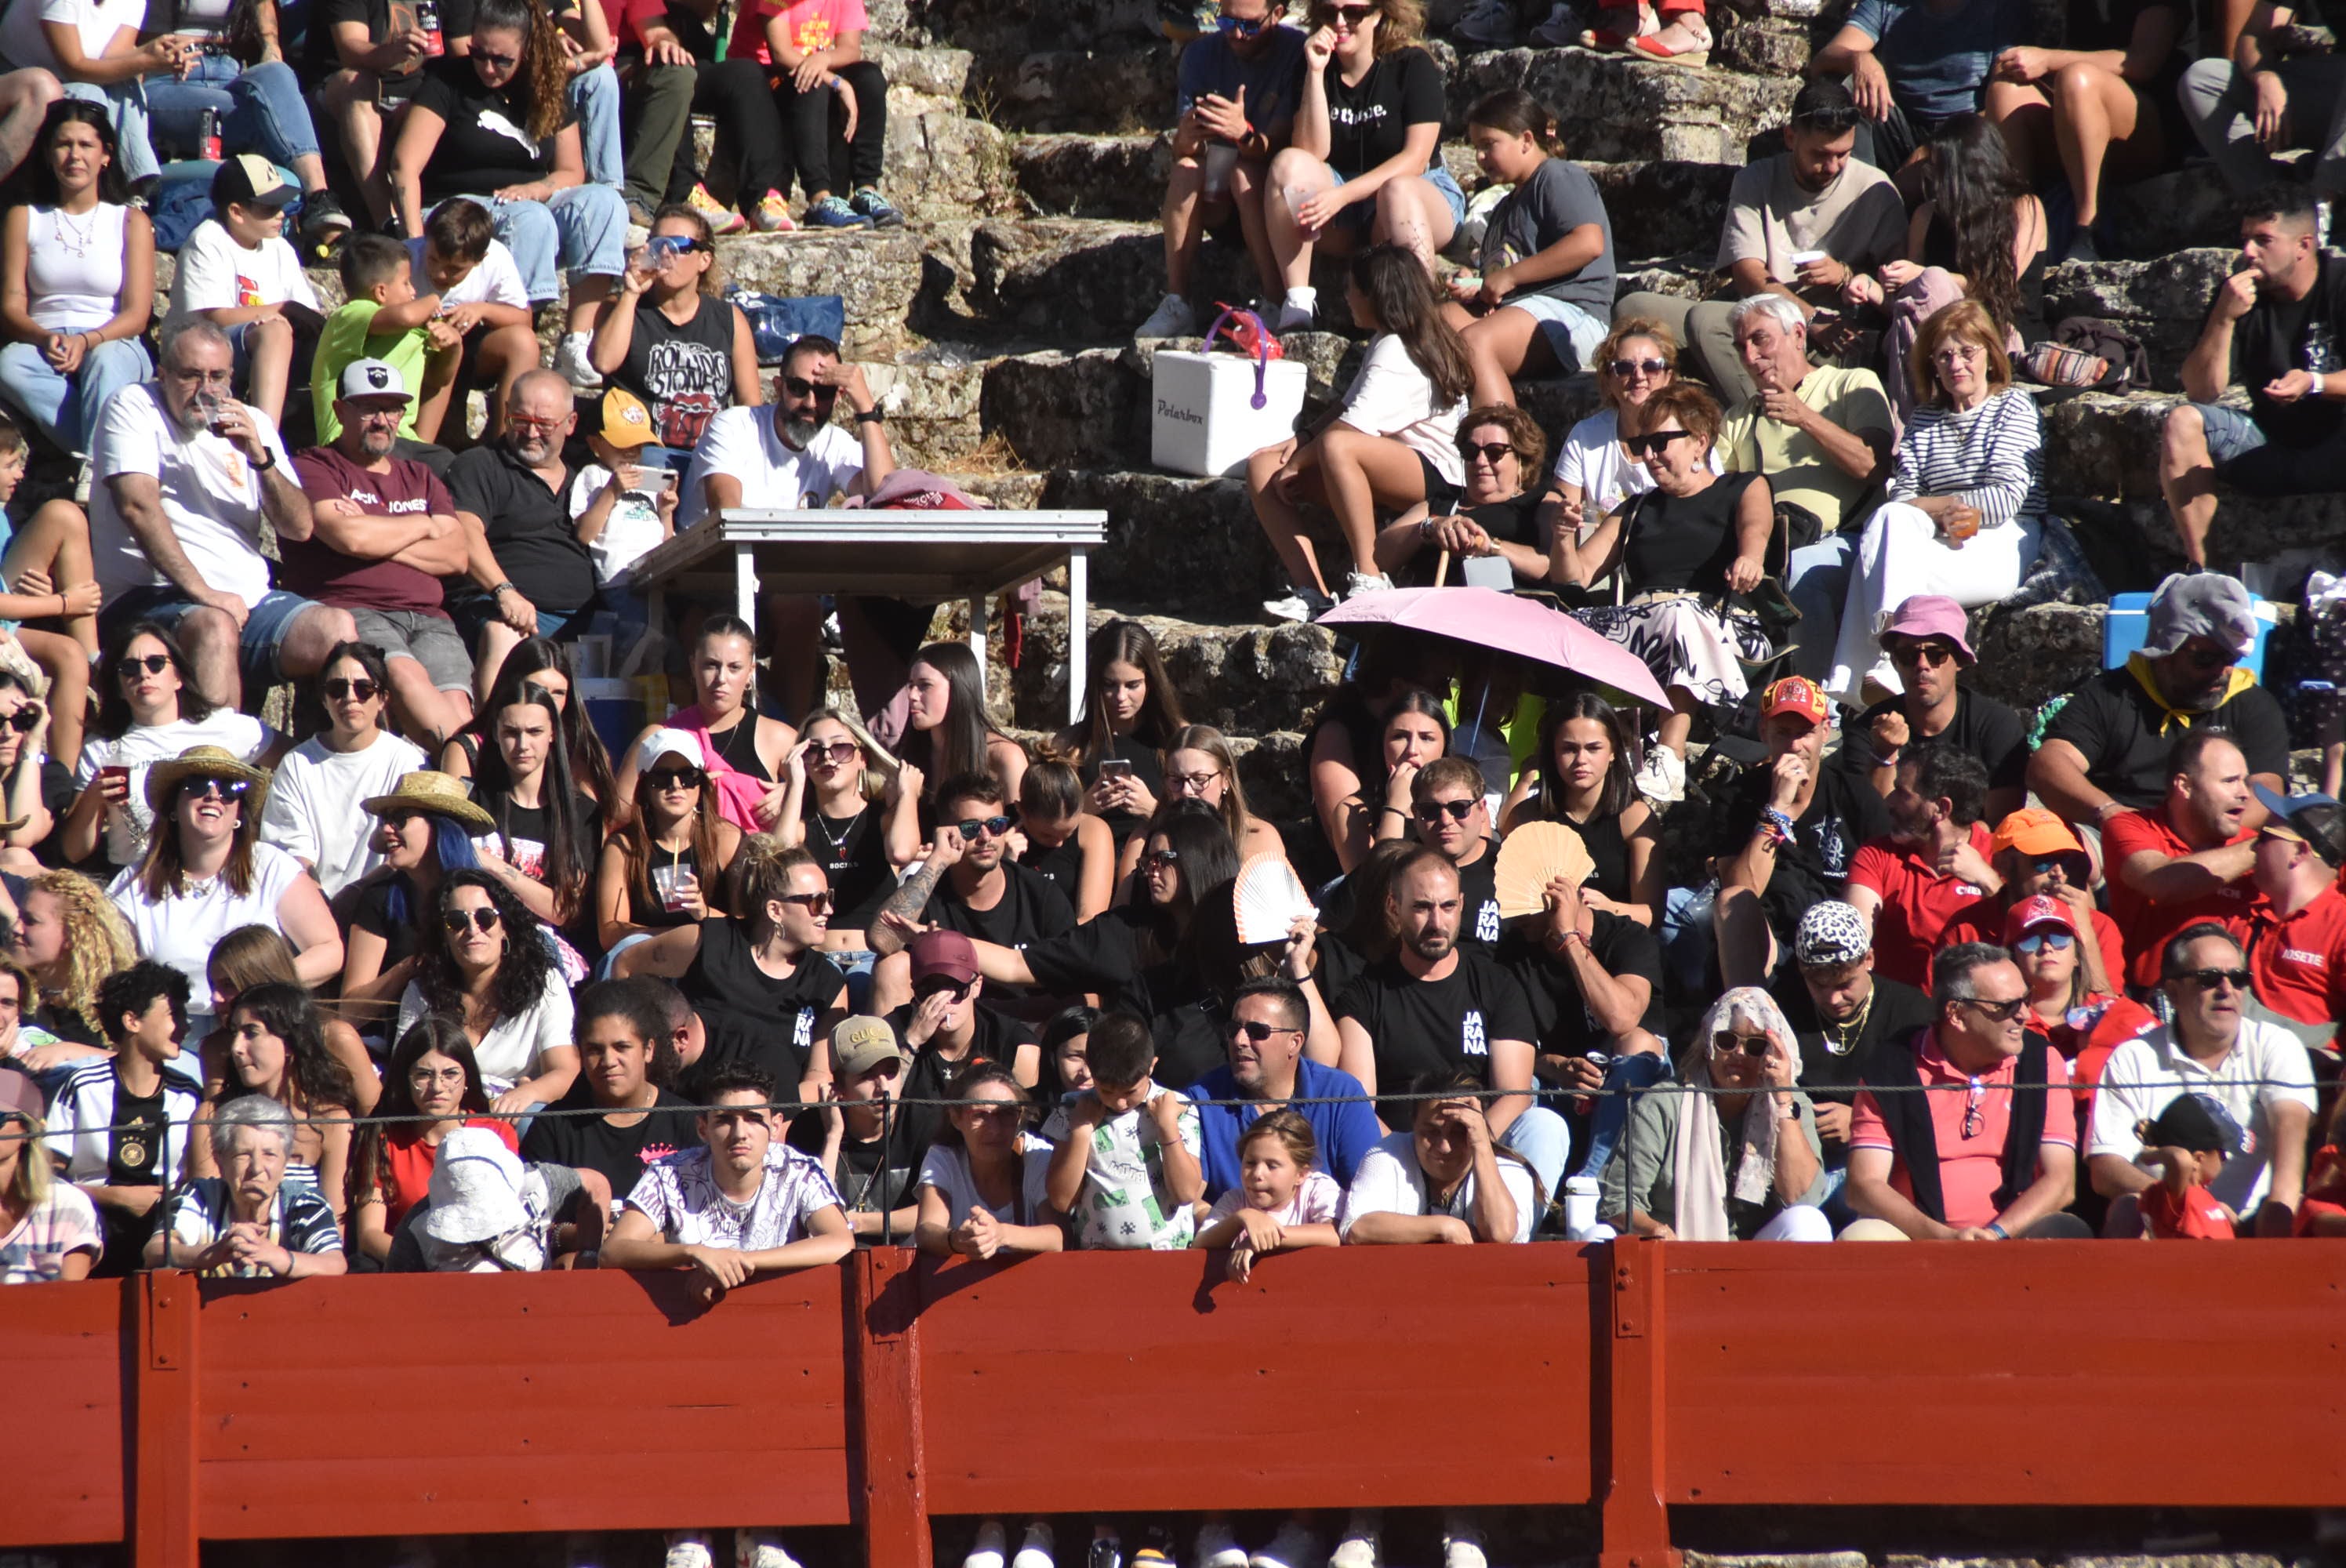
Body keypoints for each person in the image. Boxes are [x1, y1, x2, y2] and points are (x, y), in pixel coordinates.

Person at [90, 318, 353, 713]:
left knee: (336, 631)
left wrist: (260, 458)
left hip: (246, 601)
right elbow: (137, 506)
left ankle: (323, 763)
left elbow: (299, 527)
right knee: (215, 625)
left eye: (217, 376)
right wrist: (206, 593)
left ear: (232, 377)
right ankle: (214, 767)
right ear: (162, 375)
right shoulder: (134, 405)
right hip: (152, 597)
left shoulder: (253, 423)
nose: (206, 390)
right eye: (191, 376)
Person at [386, 0, 629, 390]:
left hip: (526, 200)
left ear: (527, 51)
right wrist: (416, 244)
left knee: (605, 202)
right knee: (531, 218)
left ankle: (576, 343)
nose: (487, 67)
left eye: (502, 59)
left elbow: (571, 171)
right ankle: (519, 336)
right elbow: (404, 166)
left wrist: (539, 188)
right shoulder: (448, 80)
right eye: (478, 53)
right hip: (462, 205)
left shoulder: (544, 85)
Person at [1615, 82, 1907, 402]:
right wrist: (1808, 319)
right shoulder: (1756, 179)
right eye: (1820, 155)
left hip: (1832, 336)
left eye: (1843, 155)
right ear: (1791, 137)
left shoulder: (1876, 189)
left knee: (1707, 323)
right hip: (1786, 317)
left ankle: (1766, 420)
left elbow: (1896, 285)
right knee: (1634, 310)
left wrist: (1846, 277)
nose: (1833, 166)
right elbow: (1748, 273)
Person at [1824, 299, 2046, 706]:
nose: (1956, 364)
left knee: (1877, 561)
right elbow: (1901, 496)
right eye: (1944, 355)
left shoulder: (2013, 405)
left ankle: (1860, 679)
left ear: (1989, 355)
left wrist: (1936, 506)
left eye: (1967, 352)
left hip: (2003, 540)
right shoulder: (1924, 419)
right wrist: (1944, 512)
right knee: (1888, 527)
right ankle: (1879, 674)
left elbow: (2005, 497)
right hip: (1940, 539)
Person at [1559, 379, 1771, 799]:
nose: (1649, 455)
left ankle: (1669, 754)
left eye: (1661, 442)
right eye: (1642, 445)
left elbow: (1755, 529)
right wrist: (1563, 537)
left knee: (1678, 614)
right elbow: (1576, 576)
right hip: (1643, 623)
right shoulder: (1636, 506)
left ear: (1699, 442)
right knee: (1565, 623)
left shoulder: (1742, 487)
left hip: (1721, 622)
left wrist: (1750, 558)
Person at [1332, 845, 1568, 1201]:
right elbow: (1360, 1104)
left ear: (1461, 904)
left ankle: (1514, 1248)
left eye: (1447, 907)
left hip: (1481, 1150)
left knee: (1546, 1126)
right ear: (1394, 907)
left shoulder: (1497, 984)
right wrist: (1421, 1156)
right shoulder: (1363, 995)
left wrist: (1465, 1149)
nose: (1437, 923)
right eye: (1422, 907)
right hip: (1401, 1158)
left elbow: (1514, 1093)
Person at [1251, 245, 1473, 617]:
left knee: (1338, 445)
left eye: (1352, 288)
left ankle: (1369, 578)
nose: (1346, 296)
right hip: (1382, 464)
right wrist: (1300, 440)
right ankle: (1312, 592)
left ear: (1376, 295)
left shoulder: (1400, 350)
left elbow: (1352, 427)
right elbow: (1345, 406)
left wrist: (1298, 463)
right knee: (1262, 466)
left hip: (1439, 477)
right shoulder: (1385, 340)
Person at [284, 363, 476, 750]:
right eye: (369, 408)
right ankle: (472, 783)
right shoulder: (314, 466)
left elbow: (456, 556)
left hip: (430, 618)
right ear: (340, 411)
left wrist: (379, 530)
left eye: (392, 409)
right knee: (404, 676)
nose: (382, 420)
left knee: (456, 703)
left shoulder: (420, 475)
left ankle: (462, 786)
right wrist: (424, 524)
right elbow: (350, 539)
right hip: (358, 610)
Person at [1842, 942, 2090, 1240]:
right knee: (1862, 1237)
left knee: (2067, 1231)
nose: (2024, 1014)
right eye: (2006, 1007)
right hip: (1919, 1239)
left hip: (2013, 1235)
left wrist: (1997, 1234)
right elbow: (1864, 1185)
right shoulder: (1890, 1068)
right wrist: (1942, 1238)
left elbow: (2061, 1181)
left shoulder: (2041, 1062)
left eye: (2025, 999)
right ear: (1956, 1014)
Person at [2157, 188, 2346, 569]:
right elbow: (2202, 390)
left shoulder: (2340, 284)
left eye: (2263, 240)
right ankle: (2206, 573)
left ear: (2303, 245)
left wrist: (2315, 383)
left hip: (2336, 448)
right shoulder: (2239, 293)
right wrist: (2223, 319)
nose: (2248, 252)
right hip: (2269, 446)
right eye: (2245, 239)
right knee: (2182, 421)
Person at [2087, 924, 2315, 1235]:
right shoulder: (2132, 1057)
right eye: (2209, 979)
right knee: (2126, 1208)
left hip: (2250, 1223)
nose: (2227, 990)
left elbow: (2290, 1139)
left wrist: (2274, 1225)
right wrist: (2186, 1203)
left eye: (2237, 978)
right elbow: (2106, 1169)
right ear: (2172, 992)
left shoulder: (2276, 1045)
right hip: (2163, 1218)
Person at [1718, 292, 1894, 683]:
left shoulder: (1850, 383)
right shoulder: (1737, 419)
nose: (1749, 356)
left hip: (1847, 540)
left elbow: (1875, 466)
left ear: (1799, 335)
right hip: (1768, 548)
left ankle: (1814, 711)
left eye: (1760, 340)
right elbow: (1717, 495)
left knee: (1800, 570)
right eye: (1741, 345)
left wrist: (1804, 417)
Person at [107, 746, 342, 1035]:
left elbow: (329, 950)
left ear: (239, 813)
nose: (214, 795)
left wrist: (257, 989)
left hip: (260, 1027)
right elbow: (111, 970)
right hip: (172, 1034)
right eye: (197, 785)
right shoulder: (136, 882)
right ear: (173, 807)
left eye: (230, 788)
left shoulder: (271, 866)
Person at [2031, 572, 2291, 826]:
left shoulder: (2252, 704)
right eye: (2205, 659)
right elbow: (2050, 764)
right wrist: (2112, 814)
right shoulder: (2111, 695)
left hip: (2219, 834)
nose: (2221, 672)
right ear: (2166, 650)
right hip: (2120, 828)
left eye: (2231, 659)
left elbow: (2267, 788)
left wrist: (2217, 835)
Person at [1261, 0, 1463, 326]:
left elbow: (1415, 159)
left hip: (1415, 195)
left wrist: (1343, 195)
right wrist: (1315, 73)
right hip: (1345, 206)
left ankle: (1422, 322)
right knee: (1288, 165)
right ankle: (1298, 304)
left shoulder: (1412, 65)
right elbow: (1312, 151)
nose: (1340, 22)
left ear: (1378, 14)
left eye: (1353, 12)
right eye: (1330, 12)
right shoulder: (1313, 62)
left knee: (1396, 191)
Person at [1840, 113, 2048, 423]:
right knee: (1921, 295)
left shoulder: (2024, 207)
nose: (1929, 177)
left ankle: (1912, 428)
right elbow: (1910, 309)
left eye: (1937, 168)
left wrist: (1923, 276)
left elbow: (2002, 285)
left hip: (2000, 330)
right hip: (1935, 343)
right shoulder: (1925, 217)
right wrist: (1870, 288)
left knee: (1933, 280)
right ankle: (1924, 423)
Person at [616, 837, 850, 1104]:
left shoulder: (827, 984)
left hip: (768, 1126)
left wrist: (764, 1115)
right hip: (686, 1112)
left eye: (829, 898)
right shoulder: (708, 944)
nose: (829, 910)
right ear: (775, 910)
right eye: (816, 901)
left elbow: (818, 1078)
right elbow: (625, 964)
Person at [1135, 0, 1307, 340]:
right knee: (1185, 168)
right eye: (1227, 23)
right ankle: (1177, 302)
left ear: (1279, 13)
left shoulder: (1295, 53)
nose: (1239, 35)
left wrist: (1242, 133)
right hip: (1217, 198)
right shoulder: (1200, 56)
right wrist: (1185, 138)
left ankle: (1274, 302)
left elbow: (1283, 144)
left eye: (1251, 25)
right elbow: (1187, 151)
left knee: (1246, 172)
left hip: (1269, 200)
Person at [1600, 988, 1831, 1241]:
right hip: (1677, 1250)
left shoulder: (1790, 1102)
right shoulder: (1664, 1103)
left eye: (1755, 1045)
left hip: (1759, 1257)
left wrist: (1783, 1101)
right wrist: (1656, 1231)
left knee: (1808, 1222)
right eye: (1727, 1041)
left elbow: (1804, 1199)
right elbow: (1618, 1201)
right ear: (1709, 1045)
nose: (1739, 1053)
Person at [1713, 676, 1893, 986]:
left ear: (1825, 732)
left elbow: (1888, 877)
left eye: (1805, 732)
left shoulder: (1855, 794)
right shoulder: (1735, 799)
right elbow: (1741, 891)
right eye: (1783, 733)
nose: (1795, 746)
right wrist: (1777, 808)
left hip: (1845, 941)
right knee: (1731, 900)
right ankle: (1751, 1017)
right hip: (1773, 944)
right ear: (1763, 731)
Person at [1443, 89, 1616, 407]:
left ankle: (1500, 443)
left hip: (1570, 313)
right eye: (1476, 148)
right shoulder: (1504, 207)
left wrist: (1509, 277)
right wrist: (1477, 282)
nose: (1480, 158)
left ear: (1525, 140)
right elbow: (1500, 276)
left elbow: (1588, 243)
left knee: (1473, 342)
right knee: (1432, 326)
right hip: (1520, 312)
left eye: (1488, 145)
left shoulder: (1556, 176)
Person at [1980, 0, 2190, 261]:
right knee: (2006, 88)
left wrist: (2048, 59)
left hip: (2148, 126)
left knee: (2077, 78)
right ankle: (2015, 229)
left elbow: (2142, 61)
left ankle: (2089, 228)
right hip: (2076, 121)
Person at [0, 101, 151, 463]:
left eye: (85, 145)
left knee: (104, 360)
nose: (74, 156)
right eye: (64, 145)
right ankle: (111, 455)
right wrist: (44, 337)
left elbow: (138, 314)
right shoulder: (26, 217)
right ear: (50, 155)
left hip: (111, 339)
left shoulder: (130, 221)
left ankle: (97, 465)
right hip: (47, 342)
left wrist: (88, 340)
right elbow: (12, 303)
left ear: (105, 156)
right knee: (9, 364)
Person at [64, 620, 278, 876]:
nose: (144, 674)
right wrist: (93, 797)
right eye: (129, 668)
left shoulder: (223, 727)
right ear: (118, 686)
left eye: (156, 663)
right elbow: (74, 851)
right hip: (137, 880)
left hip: (214, 876)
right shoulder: (102, 749)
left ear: (178, 677)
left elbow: (302, 760)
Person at [42, 960, 200, 1274]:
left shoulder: (189, 1095)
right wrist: (115, 1197)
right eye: (174, 1014)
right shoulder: (83, 1087)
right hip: (89, 1231)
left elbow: (199, 1181)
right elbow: (46, 1178)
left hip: (165, 1234)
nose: (185, 1025)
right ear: (132, 1021)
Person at [444, 371, 597, 688]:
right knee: (503, 634)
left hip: (587, 618)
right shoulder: (481, 465)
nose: (530, 432)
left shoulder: (587, 480)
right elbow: (464, 530)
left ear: (570, 424)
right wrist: (504, 591)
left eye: (544, 424)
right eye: (520, 419)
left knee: (652, 641)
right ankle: (493, 735)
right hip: (503, 610)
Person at [1770, 902, 1936, 1191]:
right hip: (1799, 1152)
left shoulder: (1910, 1011)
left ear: (1869, 959)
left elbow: (1932, 1104)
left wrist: (1861, 1121)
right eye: (1819, 986)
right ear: (1801, 969)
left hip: (1883, 1160)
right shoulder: (1780, 1007)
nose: (1834, 999)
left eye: (1845, 984)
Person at [392, 869, 579, 1115]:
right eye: (457, 921)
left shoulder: (545, 983)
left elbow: (565, 1070)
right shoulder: (421, 991)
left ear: (505, 928)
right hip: (439, 1114)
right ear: (444, 934)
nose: (472, 930)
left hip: (511, 1115)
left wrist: (528, 1093)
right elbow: (403, 1071)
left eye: (485, 917)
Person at [259, 644, 428, 898]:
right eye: (337, 689)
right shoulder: (298, 764)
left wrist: (353, 898)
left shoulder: (407, 762)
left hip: (386, 900)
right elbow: (293, 858)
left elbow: (411, 853)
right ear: (324, 700)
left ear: (382, 699)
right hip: (312, 904)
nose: (350, 697)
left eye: (364, 689)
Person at [349, 1014, 521, 1265]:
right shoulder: (384, 1138)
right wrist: (431, 1266)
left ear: (467, 1081)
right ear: (405, 1079)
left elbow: (506, 1225)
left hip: (482, 1267)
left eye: (450, 1074)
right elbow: (370, 1234)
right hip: (409, 1266)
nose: (437, 1087)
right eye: (423, 1074)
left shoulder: (496, 1134)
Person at [164, 158, 321, 432]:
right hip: (203, 347)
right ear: (237, 212)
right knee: (275, 330)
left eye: (282, 205)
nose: (281, 214)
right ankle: (264, 435)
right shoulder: (207, 241)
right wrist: (280, 310)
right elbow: (215, 317)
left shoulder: (280, 247)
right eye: (270, 207)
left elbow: (306, 313)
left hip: (262, 350)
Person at [587, 201, 760, 451]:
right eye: (658, 244)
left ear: (704, 260)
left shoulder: (729, 320)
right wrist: (631, 294)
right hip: (641, 458)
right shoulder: (621, 307)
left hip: (708, 460)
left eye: (678, 245)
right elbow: (603, 362)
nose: (666, 254)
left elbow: (750, 409)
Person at [1839, 594, 2028, 822]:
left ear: (1959, 660)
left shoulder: (1997, 726)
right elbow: (1876, 823)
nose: (1922, 665)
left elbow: (2002, 829)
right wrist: (1884, 755)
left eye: (1936, 653)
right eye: (1908, 655)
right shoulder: (1870, 729)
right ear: (1895, 663)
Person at [1188, 975, 1378, 1200]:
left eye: (1257, 1031)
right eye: (1233, 1029)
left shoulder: (1340, 1094)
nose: (1239, 1040)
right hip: (1235, 1232)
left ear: (1295, 1042)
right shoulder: (1201, 1099)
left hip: (1325, 1232)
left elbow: (1370, 1200)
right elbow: (1189, 1203)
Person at [1534, 319, 1716, 554]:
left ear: (1669, 376)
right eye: (1624, 368)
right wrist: (1558, 517)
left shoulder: (1688, 431)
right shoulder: (1586, 435)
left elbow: (1713, 503)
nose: (1639, 376)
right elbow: (1559, 500)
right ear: (1609, 379)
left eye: (1651, 366)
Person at [870, 773, 1076, 978]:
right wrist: (938, 859)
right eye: (971, 828)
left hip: (1024, 1009)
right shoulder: (928, 891)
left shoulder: (1040, 894)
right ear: (944, 831)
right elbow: (881, 940)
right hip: (950, 1008)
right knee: (889, 966)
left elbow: (1074, 972)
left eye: (996, 825)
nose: (986, 837)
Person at [2103, 731, 2260, 993]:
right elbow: (2162, 883)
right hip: (2146, 1002)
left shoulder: (2249, 847)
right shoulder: (2131, 827)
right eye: (2230, 781)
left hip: (2231, 1001)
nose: (2244, 793)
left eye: (2245, 781)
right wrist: (2265, 846)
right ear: (2184, 786)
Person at [678, 333, 892, 524]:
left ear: (838, 397)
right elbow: (727, 518)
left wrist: (866, 409)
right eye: (799, 388)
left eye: (824, 392)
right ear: (779, 387)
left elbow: (884, 498)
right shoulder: (733, 427)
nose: (811, 403)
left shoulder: (833, 443)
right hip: (713, 564)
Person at [523, 976, 699, 1201]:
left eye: (622, 1047)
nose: (608, 1060)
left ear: (648, 1049)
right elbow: (534, 1214)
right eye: (595, 1050)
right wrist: (572, 1233)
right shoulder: (553, 1128)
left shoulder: (687, 1123)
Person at [728, 0, 901, 230]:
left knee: (870, 78)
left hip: (812, 69)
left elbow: (850, 48)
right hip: (764, 77)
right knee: (814, 83)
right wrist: (838, 82)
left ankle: (866, 191)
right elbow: (780, 52)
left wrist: (825, 60)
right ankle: (819, 198)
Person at [342, 771, 493, 1032]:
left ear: (440, 827)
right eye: (385, 820)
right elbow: (349, 1012)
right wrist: (409, 967)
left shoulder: (485, 895)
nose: (387, 829)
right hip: (398, 1041)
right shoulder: (380, 899)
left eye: (400, 819)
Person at [1811, 0, 2033, 176]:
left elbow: (2004, 100)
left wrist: (1933, 151)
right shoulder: (1888, 3)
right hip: (1896, 123)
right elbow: (1823, 62)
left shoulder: (2001, 7)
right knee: (1849, 87)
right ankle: (1861, 200)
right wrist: (1858, 58)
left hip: (1964, 135)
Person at [1040, 1011, 1204, 1250]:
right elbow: (1061, 1200)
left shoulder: (1176, 1107)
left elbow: (1186, 1193)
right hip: (1098, 1259)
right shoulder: (1074, 1108)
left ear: (1151, 1066)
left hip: (1168, 1257)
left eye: (1130, 1092)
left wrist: (1168, 1129)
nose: (1119, 1103)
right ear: (1091, 1071)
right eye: (1106, 1090)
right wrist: (1081, 1130)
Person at [194, 981, 360, 1214]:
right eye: (235, 1033)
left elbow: (333, 1227)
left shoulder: (331, 1121)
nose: (236, 1048)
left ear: (290, 1042)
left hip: (302, 1247)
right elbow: (205, 1214)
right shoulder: (212, 1117)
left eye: (251, 1033)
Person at [1844, 742, 1999, 992]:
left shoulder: (1999, 857)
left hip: (1980, 1012)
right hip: (1901, 1018)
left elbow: (2030, 941)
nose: (1889, 802)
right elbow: (1854, 937)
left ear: (1941, 808)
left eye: (1902, 793)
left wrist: (1989, 882)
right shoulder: (1877, 854)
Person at [1499, 695, 1662, 927]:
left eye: (1594, 748)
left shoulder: (1635, 818)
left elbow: (1653, 915)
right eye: (1569, 749)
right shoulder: (1526, 817)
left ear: (1613, 752)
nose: (1581, 760)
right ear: (1552, 753)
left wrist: (1609, 908)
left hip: (1613, 944)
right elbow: (1507, 904)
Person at [1937, 808, 2126, 1004]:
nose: (2058, 873)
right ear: (2003, 865)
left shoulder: (2098, 925)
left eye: (2066, 860)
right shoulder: (1967, 929)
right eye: (2043, 862)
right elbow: (1948, 1012)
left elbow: (2108, 1014)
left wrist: (2084, 934)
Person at [147, 1094, 348, 1276]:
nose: (257, 1168)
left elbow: (334, 1263)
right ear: (220, 1160)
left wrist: (277, 1256)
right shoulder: (199, 1195)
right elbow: (154, 1251)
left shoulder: (302, 1201)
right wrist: (214, 1252)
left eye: (269, 1154)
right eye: (243, 1154)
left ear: (285, 1161)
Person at [400, 198, 543, 448]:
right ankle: (421, 451)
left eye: (455, 269)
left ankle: (505, 447)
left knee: (523, 342)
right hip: (417, 352)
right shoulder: (405, 257)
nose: (440, 274)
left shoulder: (497, 258)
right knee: (444, 347)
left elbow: (524, 318)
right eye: (433, 260)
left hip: (472, 349)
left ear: (480, 259)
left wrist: (483, 309)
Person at [775, 708, 919, 951]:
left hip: (873, 956)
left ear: (862, 758)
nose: (828, 758)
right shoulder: (800, 826)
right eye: (814, 751)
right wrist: (795, 783)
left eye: (840, 748)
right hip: (816, 960)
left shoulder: (883, 819)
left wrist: (908, 795)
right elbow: (777, 863)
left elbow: (901, 852)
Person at [613, 618, 794, 811]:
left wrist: (794, 794)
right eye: (711, 665)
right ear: (693, 666)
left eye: (734, 667)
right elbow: (618, 817)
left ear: (750, 672)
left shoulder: (778, 739)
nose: (721, 678)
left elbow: (825, 802)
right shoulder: (657, 738)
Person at [1342, 1065, 1536, 1243]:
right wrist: (1445, 1227)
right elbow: (1356, 1228)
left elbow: (1500, 1233)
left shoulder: (1511, 1171)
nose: (1444, 1147)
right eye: (1431, 1132)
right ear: (1413, 1124)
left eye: (1459, 1133)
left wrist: (1482, 1145)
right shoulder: (1387, 1154)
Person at [2179, 0, 2346, 205]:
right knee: (2204, 79)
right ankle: (2271, 207)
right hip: (2328, 91)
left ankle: (2322, 205)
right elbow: (2254, 34)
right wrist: (2264, 76)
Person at [597, 728, 744, 953]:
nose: (676, 785)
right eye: (661, 778)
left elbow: (747, 928)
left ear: (701, 783)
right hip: (648, 963)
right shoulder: (624, 846)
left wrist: (704, 912)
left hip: (712, 963)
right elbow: (610, 933)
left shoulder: (726, 839)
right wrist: (677, 938)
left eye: (688, 776)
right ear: (644, 786)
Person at [468, 685, 599, 934]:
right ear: (495, 733)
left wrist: (494, 865)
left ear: (552, 734)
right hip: (475, 935)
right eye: (511, 732)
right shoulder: (469, 799)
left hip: (544, 945)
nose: (522, 744)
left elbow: (563, 910)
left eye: (534, 732)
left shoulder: (582, 812)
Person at [1372, 407, 1549, 590]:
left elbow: (1552, 568)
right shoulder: (1439, 506)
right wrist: (1429, 527)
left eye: (1495, 452)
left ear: (1522, 459)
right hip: (1432, 607)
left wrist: (1491, 547)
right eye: (1471, 451)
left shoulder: (1537, 505)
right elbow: (1381, 556)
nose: (1480, 461)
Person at [789, 1016, 928, 1243]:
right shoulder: (809, 1128)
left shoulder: (922, 1121)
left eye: (891, 1072)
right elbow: (807, 1214)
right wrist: (833, 1136)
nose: (883, 1087)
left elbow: (936, 1214)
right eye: (867, 1076)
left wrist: (857, 1223)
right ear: (839, 1088)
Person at [1051, 619, 1182, 852]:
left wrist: (1153, 810)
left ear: (1151, 683)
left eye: (1132, 685)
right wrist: (1083, 809)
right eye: (1110, 685)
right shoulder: (1071, 745)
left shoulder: (1178, 739)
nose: (1120, 697)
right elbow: (1046, 828)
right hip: (1089, 862)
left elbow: (1202, 828)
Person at [912, 1065, 1062, 1259]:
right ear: (955, 1118)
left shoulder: (1038, 1155)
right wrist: (957, 1239)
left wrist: (1000, 1234)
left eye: (1007, 1114)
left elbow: (1059, 1237)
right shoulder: (943, 1158)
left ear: (1021, 1116)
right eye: (980, 1115)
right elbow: (926, 1230)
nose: (994, 1130)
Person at [2241, 785, 2346, 1041]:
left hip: (2311, 1074)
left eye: (2264, 836)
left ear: (2299, 851)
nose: (2254, 847)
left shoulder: (2340, 926)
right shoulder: (2241, 917)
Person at [888, 930, 1041, 1099]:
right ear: (915, 993)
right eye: (929, 990)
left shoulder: (1014, 1046)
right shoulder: (893, 1030)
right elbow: (878, 1110)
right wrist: (912, 1041)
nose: (944, 1000)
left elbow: (1028, 1121)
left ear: (977, 986)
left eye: (957, 987)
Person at [1194, 1108, 1342, 1277]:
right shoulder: (1235, 1202)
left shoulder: (1316, 1189)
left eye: (1272, 1166)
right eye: (1250, 1163)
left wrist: (1260, 1239)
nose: (1257, 1174)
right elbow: (1200, 1243)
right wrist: (1242, 1218)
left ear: (1300, 1175)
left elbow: (1334, 1234)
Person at [1131, 724, 1284, 877]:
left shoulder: (1256, 836)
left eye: (1199, 779)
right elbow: (1125, 899)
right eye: (1176, 780)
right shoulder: (1145, 837)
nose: (1186, 791)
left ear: (1226, 779)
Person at [13, 868, 133, 1047]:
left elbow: (137, 1067)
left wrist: (75, 1052)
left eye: (30, 921)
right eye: (18, 918)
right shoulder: (10, 989)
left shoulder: (112, 1007)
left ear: (73, 934)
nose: (16, 928)